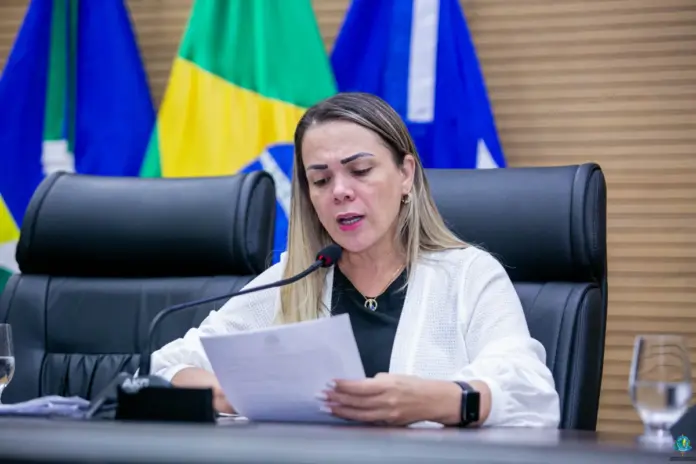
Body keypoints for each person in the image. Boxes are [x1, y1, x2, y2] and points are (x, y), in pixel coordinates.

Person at [150, 92, 560, 428]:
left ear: (406, 175)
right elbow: (168, 367)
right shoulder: (296, 278)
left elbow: (532, 394)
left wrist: (435, 401)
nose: (340, 191)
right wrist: (243, 395)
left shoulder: (467, 275)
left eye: (360, 170)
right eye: (321, 179)